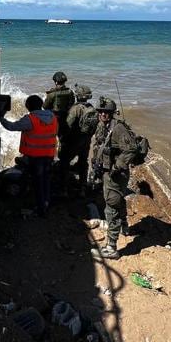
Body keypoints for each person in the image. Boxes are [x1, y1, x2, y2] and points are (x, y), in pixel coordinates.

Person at [89, 97, 141, 259]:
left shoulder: (117, 128)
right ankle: (125, 227)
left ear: (112, 113)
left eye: (106, 112)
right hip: (107, 171)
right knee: (117, 201)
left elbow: (131, 148)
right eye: (101, 112)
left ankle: (111, 247)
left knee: (111, 207)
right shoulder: (102, 126)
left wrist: (117, 166)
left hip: (115, 174)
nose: (103, 114)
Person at [0, 94, 58, 217]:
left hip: (36, 157)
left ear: (28, 106)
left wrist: (1, 118)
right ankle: (46, 203)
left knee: (37, 182)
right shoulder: (52, 117)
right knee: (46, 180)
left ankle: (41, 209)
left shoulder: (30, 119)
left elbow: (12, 126)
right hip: (49, 155)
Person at [60, 84, 98, 195]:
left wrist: (62, 137)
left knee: (65, 162)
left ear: (78, 96)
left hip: (73, 141)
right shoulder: (92, 108)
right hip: (86, 141)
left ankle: (64, 190)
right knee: (83, 163)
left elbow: (68, 124)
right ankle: (82, 188)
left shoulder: (75, 109)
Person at [43, 71, 75, 141]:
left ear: (56, 82)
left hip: (55, 119)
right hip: (66, 118)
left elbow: (45, 107)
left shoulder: (52, 94)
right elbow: (72, 103)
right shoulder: (70, 92)